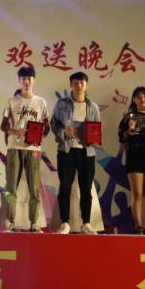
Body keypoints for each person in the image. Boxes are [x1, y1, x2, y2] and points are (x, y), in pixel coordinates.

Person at [50, 71, 100, 235]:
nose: (79, 86)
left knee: (86, 189)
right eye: (76, 83)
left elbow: (96, 128)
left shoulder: (93, 107)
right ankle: (65, 223)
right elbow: (54, 124)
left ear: (86, 85)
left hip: (87, 152)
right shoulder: (62, 104)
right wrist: (63, 132)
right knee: (65, 187)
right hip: (66, 151)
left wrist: (94, 138)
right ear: (71, 85)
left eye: (82, 83)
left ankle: (86, 223)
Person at [0, 66, 49, 232]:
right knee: (11, 186)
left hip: (33, 149)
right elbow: (3, 126)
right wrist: (15, 132)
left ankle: (34, 223)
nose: (26, 81)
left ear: (34, 80)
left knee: (34, 187)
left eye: (29, 78)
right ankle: (10, 222)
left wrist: (40, 136)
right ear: (19, 80)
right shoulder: (12, 101)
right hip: (14, 147)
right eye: (23, 79)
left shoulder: (41, 102)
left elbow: (47, 127)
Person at [118, 86, 145, 234]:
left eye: (144, 96)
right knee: (137, 193)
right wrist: (129, 129)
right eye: (138, 96)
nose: (142, 99)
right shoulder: (128, 117)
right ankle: (138, 226)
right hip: (135, 157)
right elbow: (121, 137)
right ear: (134, 99)